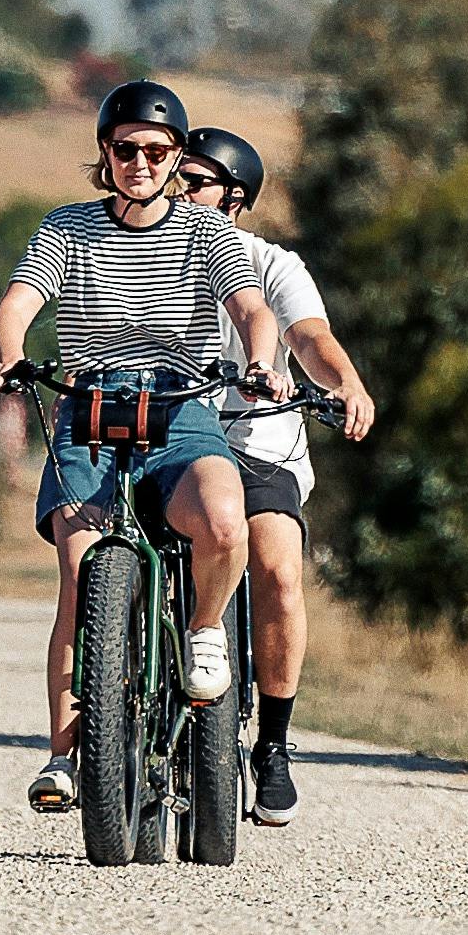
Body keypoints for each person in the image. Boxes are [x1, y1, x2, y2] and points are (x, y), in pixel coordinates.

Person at [0, 77, 283, 818]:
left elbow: (250, 306)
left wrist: (260, 360)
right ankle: (62, 754)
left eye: (156, 150)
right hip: (88, 401)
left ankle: (206, 629)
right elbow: (19, 302)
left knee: (222, 522)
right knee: (80, 566)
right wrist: (10, 354)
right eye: (125, 149)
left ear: (178, 156)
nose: (140, 162)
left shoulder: (208, 233)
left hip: (180, 403)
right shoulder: (67, 227)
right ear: (104, 153)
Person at [178, 124, 376, 828]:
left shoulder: (272, 264)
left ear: (234, 196)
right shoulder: (149, 254)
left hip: (256, 440)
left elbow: (309, 338)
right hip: (171, 436)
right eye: (176, 175)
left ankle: (272, 743)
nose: (178, 188)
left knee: (278, 567)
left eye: (194, 179)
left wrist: (345, 382)